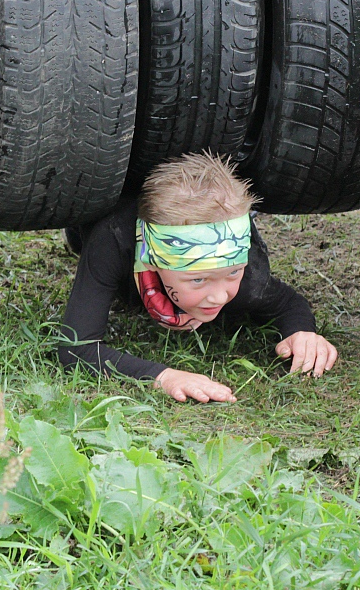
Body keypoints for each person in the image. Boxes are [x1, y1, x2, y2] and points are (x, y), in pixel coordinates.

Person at [58, 152, 339, 402]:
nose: (219, 295)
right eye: (198, 280)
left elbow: (287, 302)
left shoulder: (247, 278)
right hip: (106, 216)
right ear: (154, 261)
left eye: (231, 272)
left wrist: (302, 333)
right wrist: (164, 377)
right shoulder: (112, 242)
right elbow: (76, 348)